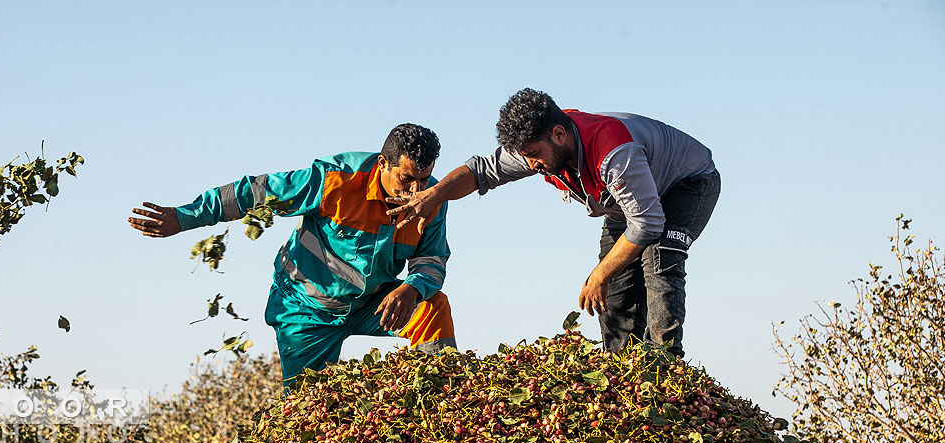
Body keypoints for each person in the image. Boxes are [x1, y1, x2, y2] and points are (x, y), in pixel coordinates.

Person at [389, 89, 720, 357]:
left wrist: (600, 273)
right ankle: (623, 368)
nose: (531, 164)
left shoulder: (614, 151)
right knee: (616, 293)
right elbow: (481, 172)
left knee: (659, 257)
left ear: (559, 134)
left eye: (535, 154)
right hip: (625, 205)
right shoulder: (537, 147)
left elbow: (648, 224)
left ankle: (665, 362)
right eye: (525, 156)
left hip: (686, 184)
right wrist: (435, 194)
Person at [127, 123, 456, 385]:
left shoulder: (431, 200)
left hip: (371, 305)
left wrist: (411, 288)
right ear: (383, 164)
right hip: (304, 311)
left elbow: (432, 260)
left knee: (432, 305)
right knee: (309, 416)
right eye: (407, 179)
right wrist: (185, 216)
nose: (416, 191)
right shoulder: (334, 179)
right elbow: (254, 192)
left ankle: (440, 398)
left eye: (424, 180)